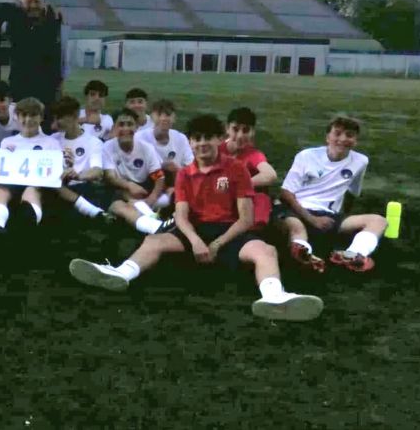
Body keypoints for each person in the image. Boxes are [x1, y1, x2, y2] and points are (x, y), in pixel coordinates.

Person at [69, 114, 324, 322]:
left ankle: (274, 297)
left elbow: (246, 219)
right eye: (197, 138)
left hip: (229, 230)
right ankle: (120, 274)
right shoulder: (185, 174)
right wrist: (196, 241)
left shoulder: (236, 169)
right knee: (154, 241)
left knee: (266, 251)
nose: (202, 143)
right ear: (190, 143)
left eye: (208, 138)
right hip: (195, 229)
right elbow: (181, 216)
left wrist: (218, 243)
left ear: (219, 139)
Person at [274, 116, 386, 273]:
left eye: (349, 135)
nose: (343, 139)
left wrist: (342, 217)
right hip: (296, 209)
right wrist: (312, 219)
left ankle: (353, 254)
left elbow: (352, 192)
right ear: (328, 137)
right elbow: (286, 193)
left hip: (328, 215)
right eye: (337, 133)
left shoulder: (361, 161)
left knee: (378, 221)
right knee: (297, 228)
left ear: (356, 141)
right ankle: (304, 255)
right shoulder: (307, 156)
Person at [0, 97, 61, 234]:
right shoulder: (7, 142)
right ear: (17, 117)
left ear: (41, 118)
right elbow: (1, 170)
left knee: (31, 190)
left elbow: (56, 170)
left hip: (37, 185)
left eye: (33, 115)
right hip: (12, 183)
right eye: (24, 115)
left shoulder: (51, 143)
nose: (28, 119)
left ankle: (28, 223)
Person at [102, 109, 172, 235]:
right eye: (121, 124)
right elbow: (110, 176)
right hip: (121, 189)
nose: (125, 128)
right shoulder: (107, 147)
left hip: (144, 188)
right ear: (114, 128)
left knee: (170, 195)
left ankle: (149, 214)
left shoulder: (146, 148)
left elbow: (158, 177)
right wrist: (129, 186)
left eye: (130, 124)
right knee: (119, 203)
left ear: (136, 127)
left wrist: (151, 199)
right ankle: (155, 223)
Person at [5, 0, 64, 132]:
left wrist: (59, 82)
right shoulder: (14, 21)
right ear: (22, 4)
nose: (33, 5)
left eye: (37, 1)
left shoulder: (54, 22)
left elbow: (60, 54)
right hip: (21, 82)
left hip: (47, 83)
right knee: (21, 122)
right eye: (29, 2)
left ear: (44, 2)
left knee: (46, 123)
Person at [50, 96, 113, 224]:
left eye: (60, 117)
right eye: (55, 118)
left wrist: (78, 176)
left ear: (75, 116)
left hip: (82, 187)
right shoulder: (53, 139)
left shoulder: (93, 142)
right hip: (58, 187)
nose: (57, 122)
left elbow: (96, 171)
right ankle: (96, 213)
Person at [219, 107, 276, 231]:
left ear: (252, 132)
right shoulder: (216, 149)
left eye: (245, 130)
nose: (240, 135)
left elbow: (270, 175)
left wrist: (239, 184)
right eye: (235, 129)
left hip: (240, 202)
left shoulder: (253, 154)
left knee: (262, 198)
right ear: (227, 129)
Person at [134, 99, 194, 210]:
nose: (163, 118)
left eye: (168, 115)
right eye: (159, 114)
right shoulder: (140, 137)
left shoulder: (180, 138)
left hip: (175, 182)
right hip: (149, 183)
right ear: (152, 117)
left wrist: (177, 184)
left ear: (174, 118)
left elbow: (191, 165)